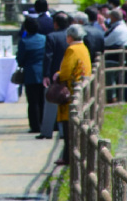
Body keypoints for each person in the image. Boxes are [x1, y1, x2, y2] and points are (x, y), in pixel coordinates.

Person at [54, 25, 91, 165]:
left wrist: (57, 74)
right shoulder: (83, 47)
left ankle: (67, 157)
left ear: (70, 36)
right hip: (81, 88)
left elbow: (65, 71)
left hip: (70, 90)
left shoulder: (72, 49)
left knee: (69, 126)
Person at [16, 16, 46, 133]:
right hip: (43, 72)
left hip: (30, 74)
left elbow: (20, 60)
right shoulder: (44, 38)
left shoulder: (24, 41)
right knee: (42, 100)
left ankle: (35, 126)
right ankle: (44, 123)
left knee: (32, 102)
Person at [104, 9, 127, 103]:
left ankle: (111, 99)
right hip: (120, 57)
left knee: (110, 79)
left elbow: (106, 41)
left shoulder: (118, 28)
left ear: (114, 17)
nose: (109, 19)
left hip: (113, 58)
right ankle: (118, 98)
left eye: (110, 17)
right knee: (118, 80)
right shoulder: (124, 27)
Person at [42, 12, 70, 88]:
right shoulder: (72, 35)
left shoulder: (52, 36)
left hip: (55, 72)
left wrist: (46, 75)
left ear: (55, 24)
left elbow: (48, 56)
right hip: (70, 70)